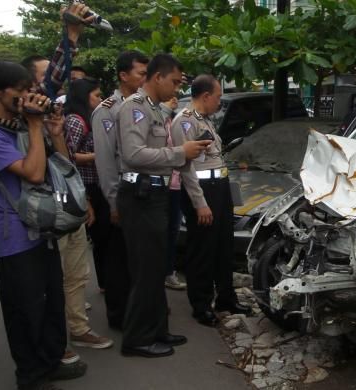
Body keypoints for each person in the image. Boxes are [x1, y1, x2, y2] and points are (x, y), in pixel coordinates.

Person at [0, 60, 86, 390]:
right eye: (19, 91)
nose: (26, 97)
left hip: (43, 227)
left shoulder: (22, 126)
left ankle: (50, 362)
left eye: (27, 89)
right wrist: (35, 127)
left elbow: (60, 166)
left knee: (52, 303)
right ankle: (31, 376)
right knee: (26, 309)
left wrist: (54, 132)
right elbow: (33, 173)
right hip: (16, 236)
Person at [116, 54, 209, 358]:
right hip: (140, 196)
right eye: (174, 81)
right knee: (145, 271)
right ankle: (136, 339)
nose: (177, 88)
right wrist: (180, 152)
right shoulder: (135, 108)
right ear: (157, 77)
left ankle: (157, 330)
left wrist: (181, 154)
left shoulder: (157, 111)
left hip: (156, 196)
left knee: (156, 269)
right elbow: (133, 154)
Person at [174, 75, 252, 327]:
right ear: (205, 96)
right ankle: (201, 304)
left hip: (219, 187)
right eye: (218, 97)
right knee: (202, 250)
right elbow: (186, 167)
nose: (220, 102)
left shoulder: (204, 120)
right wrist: (199, 203)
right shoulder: (185, 122)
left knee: (223, 246)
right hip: (202, 191)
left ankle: (226, 297)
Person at [91, 50, 149, 330]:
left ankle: (139, 310)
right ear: (123, 75)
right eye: (141, 73)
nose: (145, 79)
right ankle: (119, 316)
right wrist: (114, 203)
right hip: (118, 193)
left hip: (142, 192)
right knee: (118, 259)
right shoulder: (107, 110)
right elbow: (105, 161)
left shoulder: (145, 105)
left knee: (138, 258)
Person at [62, 78, 114, 350]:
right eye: (96, 95)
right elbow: (68, 156)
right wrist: (100, 155)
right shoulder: (74, 121)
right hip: (84, 185)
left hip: (95, 183)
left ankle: (104, 282)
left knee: (103, 237)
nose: (99, 98)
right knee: (98, 236)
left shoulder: (91, 118)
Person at [161, 96, 187, 290]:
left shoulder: (175, 120)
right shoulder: (157, 118)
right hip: (161, 186)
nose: (175, 98)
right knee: (161, 232)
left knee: (172, 231)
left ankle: (169, 271)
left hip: (177, 184)